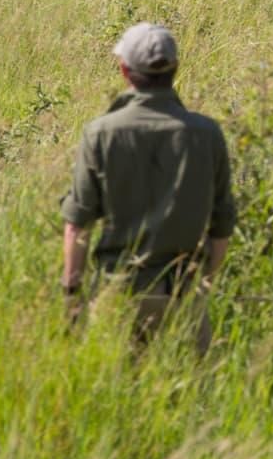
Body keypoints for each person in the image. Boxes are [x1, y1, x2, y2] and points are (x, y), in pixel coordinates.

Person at [61, 22, 235, 353]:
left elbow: (76, 226)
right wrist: (200, 285)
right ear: (176, 68)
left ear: (125, 71)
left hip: (118, 295)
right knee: (189, 400)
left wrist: (72, 296)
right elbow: (222, 227)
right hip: (181, 297)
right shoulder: (207, 134)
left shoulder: (101, 133)